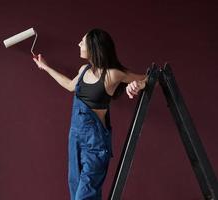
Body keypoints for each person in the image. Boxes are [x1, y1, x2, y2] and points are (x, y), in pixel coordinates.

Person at [33, 28, 147, 200]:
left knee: (84, 196)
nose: (78, 44)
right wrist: (46, 67)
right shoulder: (84, 70)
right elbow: (70, 85)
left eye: (82, 42)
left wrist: (137, 85)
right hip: (75, 139)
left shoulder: (112, 74)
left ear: (94, 47)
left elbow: (148, 79)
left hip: (94, 144)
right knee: (75, 190)